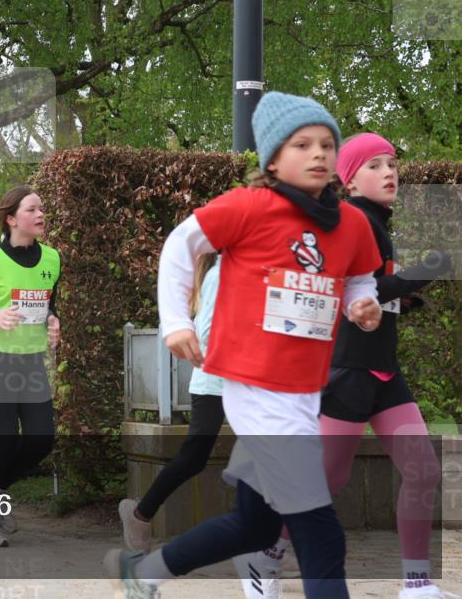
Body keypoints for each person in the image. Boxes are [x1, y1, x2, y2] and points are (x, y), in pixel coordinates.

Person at [107, 92, 384, 599]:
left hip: (303, 390)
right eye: (303, 144)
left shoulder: (352, 224)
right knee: (320, 531)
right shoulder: (250, 206)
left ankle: (143, 572)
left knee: (254, 527)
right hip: (253, 386)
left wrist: (361, 305)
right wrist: (176, 321)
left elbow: (361, 278)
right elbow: (179, 246)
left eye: (327, 143)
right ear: (273, 159)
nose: (319, 153)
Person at [236, 133, 456, 599]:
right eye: (375, 165)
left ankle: (417, 583)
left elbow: (370, 292)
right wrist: (426, 270)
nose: (390, 172)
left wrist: (406, 296)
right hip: (347, 372)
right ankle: (266, 555)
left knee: (421, 470)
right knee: (324, 483)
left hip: (382, 372)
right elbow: (352, 289)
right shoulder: (352, 219)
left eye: (392, 163)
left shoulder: (375, 222)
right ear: (348, 178)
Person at [0, 186, 61, 548]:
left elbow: (50, 306)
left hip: (31, 361)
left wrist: (53, 321)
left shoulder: (52, 259)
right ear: (11, 218)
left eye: (42, 209)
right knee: (1, 443)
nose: (41, 215)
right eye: (33, 209)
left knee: (41, 439)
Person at [119, 253, 222, 551]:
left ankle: (271, 545)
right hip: (215, 384)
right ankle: (139, 515)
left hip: (249, 385)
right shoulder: (218, 276)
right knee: (194, 457)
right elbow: (206, 335)